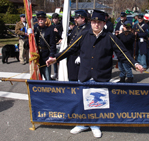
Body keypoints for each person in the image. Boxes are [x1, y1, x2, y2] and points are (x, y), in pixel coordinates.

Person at [46, 10, 144, 138]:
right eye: (94, 22)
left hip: (101, 76)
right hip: (85, 74)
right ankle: (82, 123)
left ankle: (95, 124)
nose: (96, 25)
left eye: (99, 22)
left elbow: (123, 52)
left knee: (98, 102)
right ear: (91, 22)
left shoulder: (110, 37)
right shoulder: (83, 34)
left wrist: (134, 64)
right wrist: (56, 58)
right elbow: (70, 49)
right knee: (82, 101)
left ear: (104, 23)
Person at [67, 9, 90, 81]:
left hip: (80, 57)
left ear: (83, 18)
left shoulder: (88, 29)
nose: (75, 19)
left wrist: (81, 55)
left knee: (79, 79)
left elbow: (88, 45)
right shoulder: (75, 28)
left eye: (77, 18)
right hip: (72, 56)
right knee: (71, 78)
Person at [34, 11, 56, 80]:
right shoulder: (35, 29)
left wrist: (51, 55)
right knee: (38, 76)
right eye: (39, 19)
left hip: (46, 55)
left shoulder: (49, 30)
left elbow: (52, 44)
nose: (40, 21)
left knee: (47, 77)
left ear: (45, 20)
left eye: (42, 19)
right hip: (37, 56)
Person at [50, 13, 63, 80]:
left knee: (60, 59)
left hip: (59, 44)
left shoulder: (60, 26)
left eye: (56, 18)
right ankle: (55, 73)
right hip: (53, 44)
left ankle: (60, 73)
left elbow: (62, 35)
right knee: (54, 59)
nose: (55, 20)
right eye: (54, 19)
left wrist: (58, 31)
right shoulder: (51, 27)